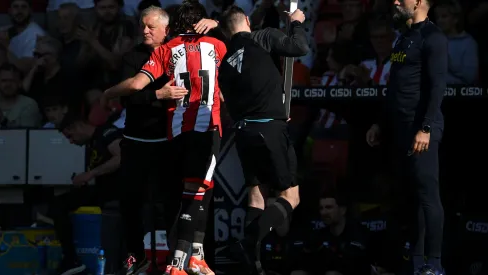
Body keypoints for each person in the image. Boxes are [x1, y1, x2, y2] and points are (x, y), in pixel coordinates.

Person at [102, 1, 226, 274]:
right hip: (138, 140)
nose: (145, 31)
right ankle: (137, 256)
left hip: (170, 140)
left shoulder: (170, 52)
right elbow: (130, 95)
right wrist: (157, 95)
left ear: (167, 29)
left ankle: (177, 259)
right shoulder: (133, 57)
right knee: (132, 201)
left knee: (174, 201)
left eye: (151, 27)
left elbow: (135, 86)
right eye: (142, 26)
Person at [217, 5, 308, 275]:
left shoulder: (226, 62)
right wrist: (297, 23)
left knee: (256, 197)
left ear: (225, 32)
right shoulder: (263, 36)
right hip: (269, 128)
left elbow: (231, 106)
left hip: (243, 132)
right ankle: (248, 242)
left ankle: (253, 265)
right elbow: (299, 47)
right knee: (291, 196)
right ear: (246, 20)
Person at [365, 0, 447, 274]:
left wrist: (425, 128)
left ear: (421, 2)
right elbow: (394, 86)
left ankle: (434, 264)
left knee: (427, 195)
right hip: (398, 130)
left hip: (421, 129)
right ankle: (415, 261)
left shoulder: (432, 37)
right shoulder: (403, 38)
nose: (396, 1)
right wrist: (379, 123)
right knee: (405, 197)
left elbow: (437, 87)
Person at [48, 110, 122, 275]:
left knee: (59, 205)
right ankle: (71, 259)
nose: (71, 141)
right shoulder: (91, 143)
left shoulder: (106, 133)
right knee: (57, 204)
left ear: (77, 126)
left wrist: (91, 174)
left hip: (117, 192)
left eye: (70, 136)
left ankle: (72, 260)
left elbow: (121, 156)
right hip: (102, 190)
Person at [290, 193, 370, 275]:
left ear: (342, 210)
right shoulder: (319, 235)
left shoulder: (359, 233)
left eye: (329, 207)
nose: (324, 212)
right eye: (321, 208)